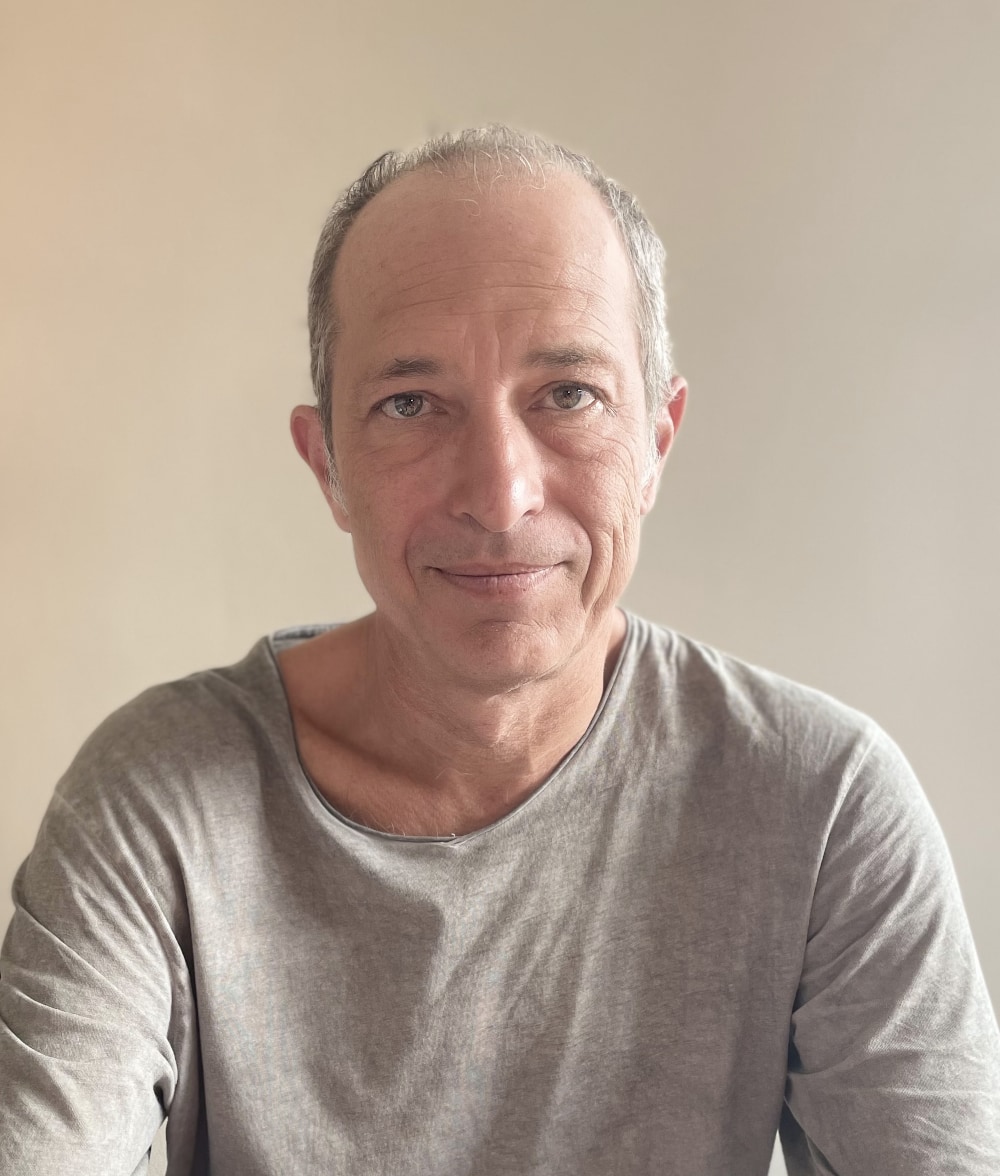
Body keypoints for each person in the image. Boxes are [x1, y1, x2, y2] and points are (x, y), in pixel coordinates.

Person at [2, 125, 999, 1176]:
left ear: (655, 442)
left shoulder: (822, 801)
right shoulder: (158, 802)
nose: (498, 494)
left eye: (568, 394)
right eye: (410, 405)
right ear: (327, 463)